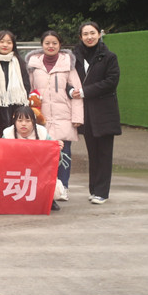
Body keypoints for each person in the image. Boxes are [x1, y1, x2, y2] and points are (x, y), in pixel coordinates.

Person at [26, 30, 84, 200]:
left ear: (60, 45)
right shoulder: (34, 65)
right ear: (42, 45)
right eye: (47, 43)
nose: (51, 46)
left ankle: (63, 188)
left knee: (63, 154)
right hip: (41, 117)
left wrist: (77, 117)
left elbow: (77, 92)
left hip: (63, 116)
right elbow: (30, 91)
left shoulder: (68, 64)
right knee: (42, 155)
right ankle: (44, 188)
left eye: (54, 43)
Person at [72, 21, 121, 205]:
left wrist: (85, 92)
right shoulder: (74, 57)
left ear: (99, 34)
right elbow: (69, 79)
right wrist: (71, 91)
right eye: (85, 34)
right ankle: (94, 190)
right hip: (86, 112)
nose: (89, 37)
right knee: (92, 153)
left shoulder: (109, 57)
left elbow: (111, 82)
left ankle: (102, 192)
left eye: (92, 33)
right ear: (80, 37)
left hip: (105, 112)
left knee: (105, 153)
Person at [3, 105, 64, 211]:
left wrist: (57, 150)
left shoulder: (42, 134)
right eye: (20, 120)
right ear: (14, 122)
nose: (23, 124)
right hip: (14, 174)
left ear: (33, 122)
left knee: (53, 188)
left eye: (28, 121)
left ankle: (49, 200)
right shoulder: (7, 134)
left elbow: (55, 160)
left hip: (37, 173)